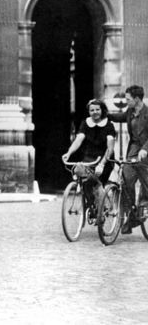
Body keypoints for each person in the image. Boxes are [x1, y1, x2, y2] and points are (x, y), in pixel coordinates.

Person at [62, 99, 116, 212]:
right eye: (92, 110)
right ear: (89, 111)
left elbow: (110, 148)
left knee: (95, 181)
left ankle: (104, 205)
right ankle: (92, 205)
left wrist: (101, 164)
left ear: (102, 110)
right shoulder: (85, 123)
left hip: (105, 159)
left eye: (97, 109)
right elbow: (78, 140)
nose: (95, 112)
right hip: (89, 158)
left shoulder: (109, 125)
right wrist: (69, 152)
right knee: (84, 178)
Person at [108, 85, 148, 234]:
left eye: (128, 99)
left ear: (137, 99)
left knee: (146, 183)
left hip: (146, 150)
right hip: (134, 149)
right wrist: (106, 115)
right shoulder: (130, 111)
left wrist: (145, 149)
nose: (126, 101)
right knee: (125, 178)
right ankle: (131, 212)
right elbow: (121, 117)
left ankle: (142, 211)